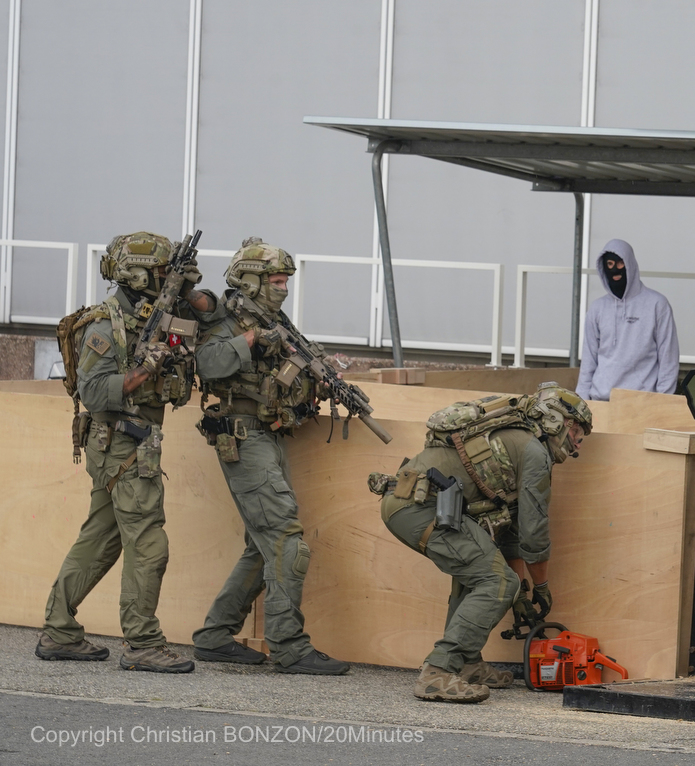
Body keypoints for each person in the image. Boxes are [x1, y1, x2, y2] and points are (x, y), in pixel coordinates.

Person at [39, 231, 219, 673]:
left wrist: (189, 288)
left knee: (101, 536)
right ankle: (142, 643)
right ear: (136, 274)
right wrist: (143, 371)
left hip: (128, 441)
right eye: (160, 273)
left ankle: (59, 630)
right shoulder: (106, 325)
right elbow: (95, 392)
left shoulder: (151, 313)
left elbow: (212, 311)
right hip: (122, 442)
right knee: (148, 541)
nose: (164, 280)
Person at [372, 383, 592, 703]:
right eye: (579, 437)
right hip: (417, 508)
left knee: (481, 575)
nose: (578, 447)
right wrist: (540, 586)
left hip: (409, 502)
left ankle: (468, 664)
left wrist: (520, 593)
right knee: (495, 580)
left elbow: (512, 532)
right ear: (561, 424)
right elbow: (534, 533)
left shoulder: (518, 439)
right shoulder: (534, 452)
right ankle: (439, 672)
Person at [190, 237, 349, 675]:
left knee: (262, 546)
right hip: (243, 436)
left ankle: (216, 636)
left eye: (285, 281)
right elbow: (209, 363)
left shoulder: (273, 318)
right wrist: (254, 337)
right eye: (275, 281)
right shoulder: (228, 316)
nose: (283, 288)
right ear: (251, 281)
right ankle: (288, 645)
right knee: (286, 541)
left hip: (270, 435)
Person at [575, 238, 679, 401]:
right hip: (600, 402)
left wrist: (662, 403)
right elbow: (588, 361)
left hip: (642, 403)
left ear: (630, 264)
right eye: (609, 264)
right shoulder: (597, 308)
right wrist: (581, 402)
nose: (614, 269)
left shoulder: (657, 305)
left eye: (620, 264)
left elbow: (668, 360)